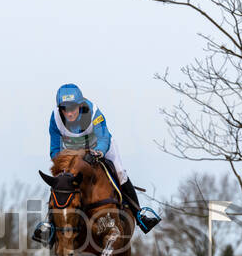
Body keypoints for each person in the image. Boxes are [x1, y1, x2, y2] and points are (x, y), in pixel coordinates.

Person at [33, 83, 160, 246]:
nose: (69, 112)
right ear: (60, 109)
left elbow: (103, 137)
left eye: (72, 107)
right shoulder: (55, 119)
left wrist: (99, 151)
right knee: (61, 181)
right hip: (73, 150)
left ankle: (139, 214)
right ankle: (49, 224)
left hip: (100, 147)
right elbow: (55, 148)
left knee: (120, 173)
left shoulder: (93, 112)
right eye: (65, 108)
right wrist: (61, 164)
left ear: (79, 105)